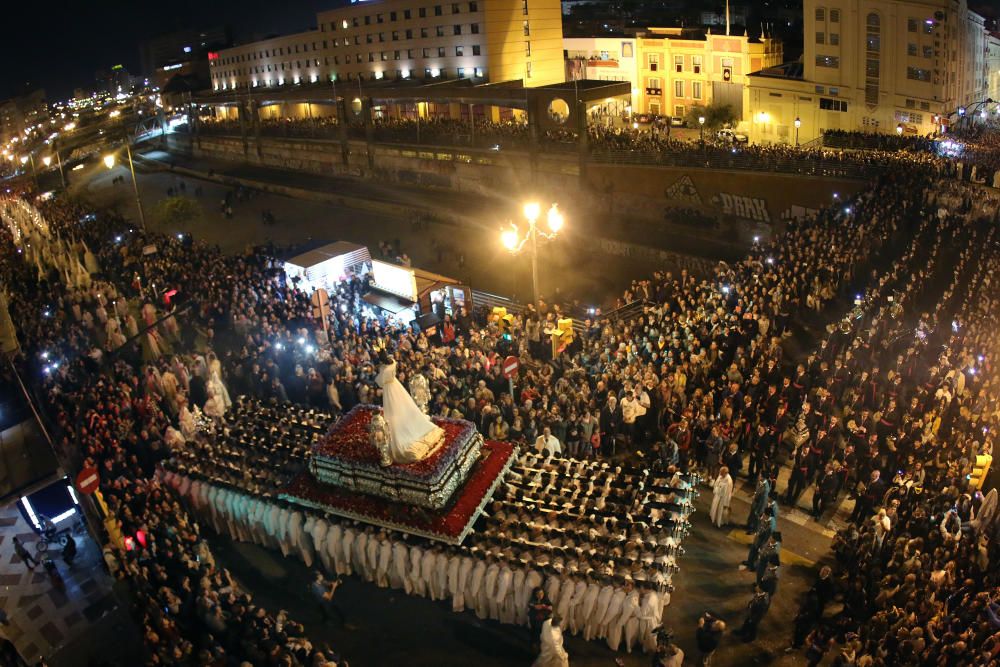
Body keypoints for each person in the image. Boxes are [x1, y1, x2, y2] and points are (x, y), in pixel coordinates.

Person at [527, 586, 553, 653]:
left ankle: (540, 645)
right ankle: (534, 644)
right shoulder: (533, 600)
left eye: (541, 593)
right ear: (535, 594)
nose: (540, 595)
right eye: (538, 594)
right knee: (535, 631)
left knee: (541, 631)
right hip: (534, 619)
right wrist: (534, 606)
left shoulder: (546, 600)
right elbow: (530, 604)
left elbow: (550, 607)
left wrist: (546, 607)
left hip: (543, 619)